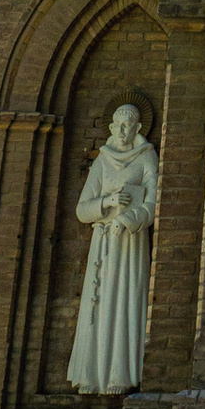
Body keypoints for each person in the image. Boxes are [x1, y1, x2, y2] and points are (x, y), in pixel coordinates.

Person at [65, 101, 159, 393]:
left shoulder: (146, 158)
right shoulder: (103, 160)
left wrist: (129, 218)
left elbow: (153, 203)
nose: (122, 130)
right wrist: (108, 202)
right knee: (99, 304)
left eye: (127, 124)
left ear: (137, 128)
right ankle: (92, 376)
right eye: (117, 124)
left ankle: (120, 375)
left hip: (130, 241)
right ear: (110, 127)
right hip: (104, 241)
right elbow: (82, 209)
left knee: (125, 301)